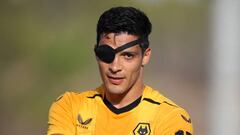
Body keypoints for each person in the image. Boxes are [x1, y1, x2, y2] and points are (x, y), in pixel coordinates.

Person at [47, 6, 193, 135]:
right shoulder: (70, 106)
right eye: (106, 54)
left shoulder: (169, 117)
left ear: (145, 56)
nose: (115, 67)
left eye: (127, 56)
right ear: (96, 53)